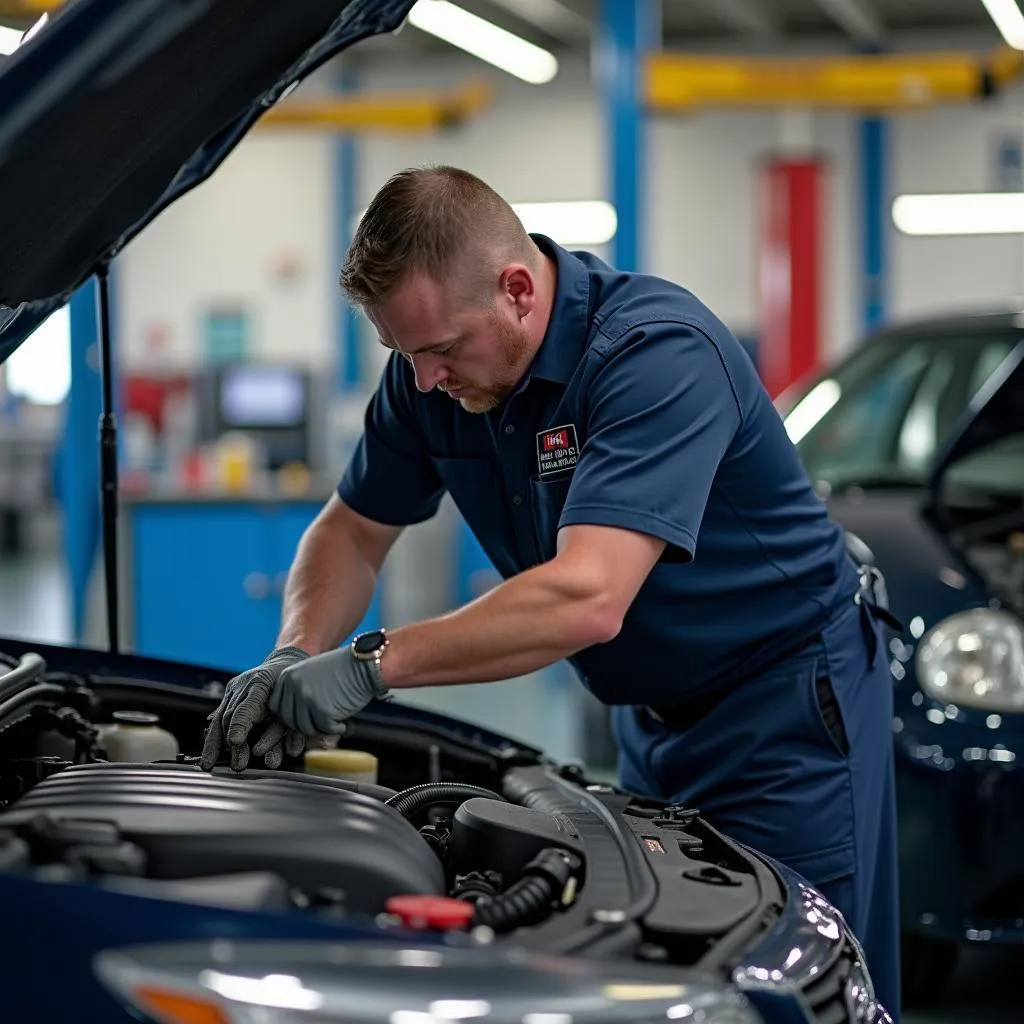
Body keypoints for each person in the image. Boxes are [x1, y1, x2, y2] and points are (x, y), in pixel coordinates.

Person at [200, 165, 901, 1017]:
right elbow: (350, 529)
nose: (423, 382)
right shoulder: (431, 375)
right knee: (672, 974)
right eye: (404, 355)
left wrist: (368, 664)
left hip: (788, 710)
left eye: (442, 350)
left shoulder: (655, 353)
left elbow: (587, 597)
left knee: (792, 990)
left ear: (519, 290)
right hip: (649, 715)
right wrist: (296, 650)